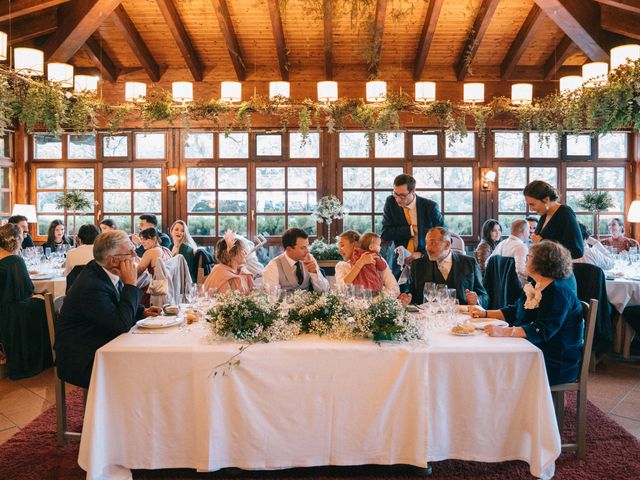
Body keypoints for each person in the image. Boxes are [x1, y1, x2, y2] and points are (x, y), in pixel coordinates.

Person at [469, 241, 584, 386]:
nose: (525, 259)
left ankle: (513, 405)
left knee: (493, 364)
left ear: (542, 263)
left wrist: (505, 332)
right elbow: (514, 310)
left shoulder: (558, 293)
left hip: (554, 360)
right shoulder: (535, 285)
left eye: (528, 257)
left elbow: (543, 329)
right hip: (533, 349)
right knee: (489, 356)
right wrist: (485, 313)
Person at [56, 230, 162, 388]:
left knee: (152, 352)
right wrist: (130, 284)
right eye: (130, 251)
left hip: (99, 339)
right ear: (113, 260)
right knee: (148, 364)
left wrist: (141, 312)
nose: (135, 255)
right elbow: (121, 325)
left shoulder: (103, 270)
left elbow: (114, 306)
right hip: (84, 356)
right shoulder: (92, 286)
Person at [0, 224, 53, 380]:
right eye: (22, 236)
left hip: (3, 306)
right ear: (15, 239)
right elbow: (27, 289)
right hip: (10, 310)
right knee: (44, 304)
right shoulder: (14, 260)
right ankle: (43, 357)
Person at [399, 226, 489, 307]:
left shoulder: (469, 263)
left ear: (447, 245)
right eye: (426, 243)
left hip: (463, 320)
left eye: (432, 243)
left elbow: (484, 297)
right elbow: (410, 294)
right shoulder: (417, 265)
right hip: (429, 320)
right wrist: (406, 298)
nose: (427, 248)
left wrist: (477, 300)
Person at [381, 174, 445, 277]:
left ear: (413, 191)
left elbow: (444, 236)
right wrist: (409, 230)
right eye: (395, 194)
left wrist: (422, 254)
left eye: (402, 195)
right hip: (399, 262)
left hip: (426, 260)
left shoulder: (430, 207)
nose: (398, 199)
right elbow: (385, 233)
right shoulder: (390, 202)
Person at [524, 180, 583, 259]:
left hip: (558, 270)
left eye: (532, 204)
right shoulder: (544, 215)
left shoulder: (565, 213)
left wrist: (542, 243)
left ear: (546, 199)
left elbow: (577, 251)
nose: (531, 209)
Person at [335, 230, 400, 298]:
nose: (339, 251)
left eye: (342, 245)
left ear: (354, 244)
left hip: (376, 306)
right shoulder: (341, 266)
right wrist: (360, 262)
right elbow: (341, 290)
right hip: (353, 307)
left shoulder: (376, 259)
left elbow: (394, 290)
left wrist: (374, 301)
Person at [263, 228, 329, 293]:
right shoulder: (273, 266)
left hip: (309, 303)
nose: (307, 251)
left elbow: (324, 290)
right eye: (303, 248)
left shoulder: (309, 258)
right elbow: (272, 297)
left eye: (307, 246)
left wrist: (314, 273)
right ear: (289, 249)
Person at [204, 231, 254, 295]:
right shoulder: (220, 276)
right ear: (232, 254)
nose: (246, 253)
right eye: (243, 250)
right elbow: (224, 303)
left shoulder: (244, 273)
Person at [488, 219, 529, 286]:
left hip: (498, 288)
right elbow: (520, 271)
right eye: (528, 230)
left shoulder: (501, 244)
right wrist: (527, 286)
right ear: (524, 231)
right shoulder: (521, 247)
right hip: (513, 289)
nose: (529, 233)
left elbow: (487, 263)